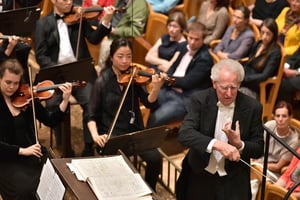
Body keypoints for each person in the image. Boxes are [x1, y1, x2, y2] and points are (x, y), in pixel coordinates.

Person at [175, 59, 264, 200]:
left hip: (233, 178)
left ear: (239, 84)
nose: (228, 93)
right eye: (224, 87)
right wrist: (218, 144)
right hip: (200, 172)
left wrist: (239, 144)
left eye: (234, 88)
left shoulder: (253, 107)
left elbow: (259, 149)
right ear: (214, 83)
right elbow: (185, 134)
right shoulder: (200, 99)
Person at [34, 0, 114, 156]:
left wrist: (106, 19)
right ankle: (63, 146)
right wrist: (59, 70)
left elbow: (94, 38)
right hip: (56, 74)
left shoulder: (79, 17)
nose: (69, 2)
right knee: (53, 104)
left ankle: (88, 146)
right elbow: (40, 55)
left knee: (91, 102)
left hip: (79, 72)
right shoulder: (43, 24)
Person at [87, 38, 166, 191]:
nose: (125, 61)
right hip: (113, 134)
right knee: (120, 169)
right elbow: (91, 115)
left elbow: (149, 102)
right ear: (111, 58)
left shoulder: (134, 77)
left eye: (129, 56)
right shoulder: (102, 82)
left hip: (135, 130)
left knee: (156, 159)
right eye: (120, 56)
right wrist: (96, 136)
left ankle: (150, 190)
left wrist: (156, 88)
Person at [0, 59, 72, 200]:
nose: (12, 87)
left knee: (56, 177)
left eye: (16, 83)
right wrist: (21, 151)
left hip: (33, 152)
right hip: (7, 159)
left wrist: (65, 100)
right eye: (8, 82)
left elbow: (50, 120)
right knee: (27, 189)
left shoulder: (26, 96)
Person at [147, 22, 214, 128]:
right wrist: (166, 77)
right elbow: (173, 67)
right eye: (190, 38)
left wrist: (167, 78)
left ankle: (146, 142)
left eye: (196, 39)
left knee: (155, 118)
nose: (192, 42)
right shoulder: (183, 46)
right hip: (169, 89)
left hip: (184, 98)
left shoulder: (205, 59)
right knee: (145, 102)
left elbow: (187, 82)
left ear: (203, 40)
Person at [253, 101, 299, 182]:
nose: (280, 119)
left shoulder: (294, 140)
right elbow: (257, 145)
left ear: (290, 117)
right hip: (256, 162)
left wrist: (257, 165)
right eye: (278, 116)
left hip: (272, 172)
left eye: (284, 116)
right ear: (273, 116)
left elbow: (277, 167)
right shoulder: (269, 125)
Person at [97, 0, 148, 71]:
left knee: (106, 45)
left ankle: (104, 72)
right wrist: (105, 22)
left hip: (121, 40)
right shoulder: (119, 1)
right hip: (108, 34)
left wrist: (115, 31)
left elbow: (136, 31)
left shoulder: (139, 5)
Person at [239, 18, 281, 99]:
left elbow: (264, 76)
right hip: (245, 80)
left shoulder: (275, 52)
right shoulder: (258, 44)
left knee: (233, 94)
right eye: (262, 33)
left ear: (274, 35)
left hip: (256, 88)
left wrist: (244, 79)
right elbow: (248, 63)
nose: (264, 37)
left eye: (268, 34)